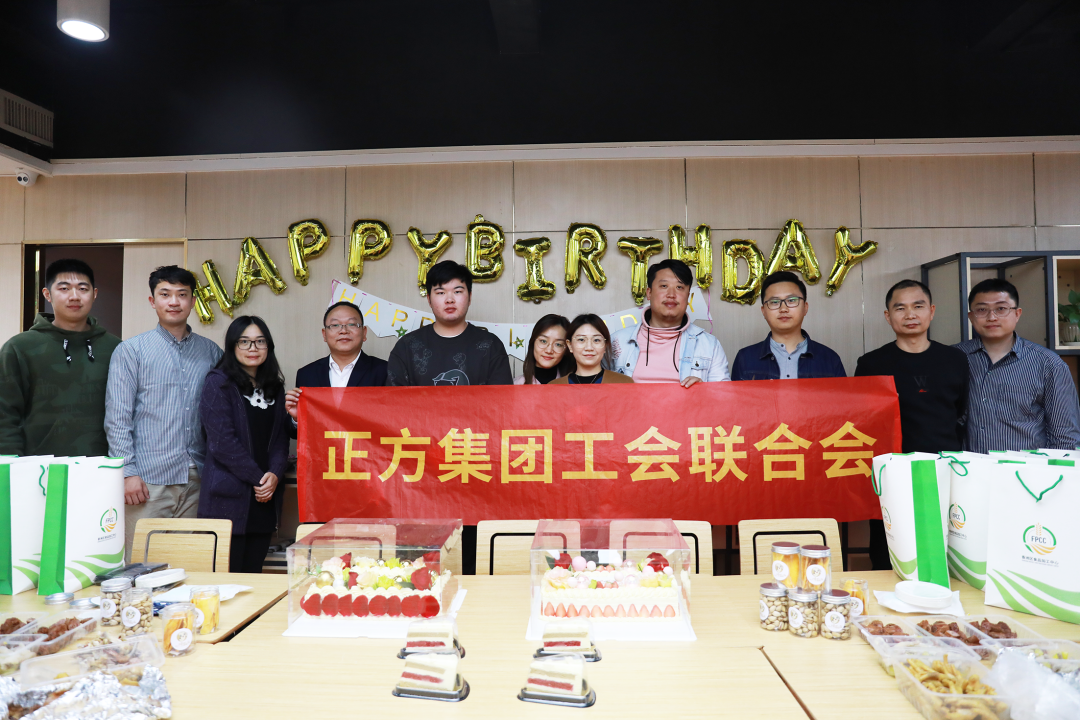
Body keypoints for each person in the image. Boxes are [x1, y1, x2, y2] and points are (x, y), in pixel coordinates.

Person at [106, 266, 223, 559]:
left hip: (198, 477)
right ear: (152, 301)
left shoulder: (211, 352)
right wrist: (127, 472)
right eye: (165, 294)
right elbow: (118, 418)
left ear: (193, 301)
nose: (174, 302)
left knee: (188, 562)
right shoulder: (131, 351)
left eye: (182, 295)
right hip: (148, 479)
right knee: (140, 563)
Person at [855, 279, 968, 570]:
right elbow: (863, 422)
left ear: (931, 311)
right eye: (900, 308)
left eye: (918, 306)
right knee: (889, 552)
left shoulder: (955, 359)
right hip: (892, 472)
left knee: (946, 547)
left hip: (945, 470)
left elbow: (961, 411)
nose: (910, 314)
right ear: (887, 316)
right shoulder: (871, 364)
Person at [0, 258, 120, 456]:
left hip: (103, 466)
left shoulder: (116, 348)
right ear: (47, 294)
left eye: (83, 289)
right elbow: (5, 415)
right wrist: (12, 465)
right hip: (37, 467)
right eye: (64, 289)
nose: (74, 296)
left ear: (94, 294)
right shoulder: (19, 348)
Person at [199, 316, 289, 573]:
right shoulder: (218, 383)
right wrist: (260, 479)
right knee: (227, 579)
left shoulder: (275, 387)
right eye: (245, 342)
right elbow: (222, 443)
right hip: (229, 498)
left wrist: (275, 474)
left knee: (254, 576)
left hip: (264, 499)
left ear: (268, 346)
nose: (253, 348)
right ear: (232, 346)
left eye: (260, 342)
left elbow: (281, 438)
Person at [956, 278, 1080, 453]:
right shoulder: (953, 358)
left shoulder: (1049, 364)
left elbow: (1065, 437)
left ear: (1017, 314)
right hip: (965, 467)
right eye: (982, 310)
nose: (992, 317)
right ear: (971, 317)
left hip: (1027, 469)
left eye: (1001, 309)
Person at [387, 260, 513, 386]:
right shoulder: (407, 346)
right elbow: (393, 396)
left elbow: (501, 397)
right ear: (429, 299)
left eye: (457, 292)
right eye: (440, 293)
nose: (449, 300)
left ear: (469, 297)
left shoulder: (491, 345)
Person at [609, 259, 729, 385]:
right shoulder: (617, 341)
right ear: (649, 293)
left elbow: (723, 394)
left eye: (679, 287)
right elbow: (600, 389)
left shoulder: (710, 345)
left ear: (688, 296)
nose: (671, 294)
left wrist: (704, 390)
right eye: (664, 286)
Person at [284, 301, 388, 427]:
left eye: (352, 324)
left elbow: (394, 422)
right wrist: (297, 418)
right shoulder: (307, 374)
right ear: (324, 334)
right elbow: (296, 433)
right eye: (335, 325)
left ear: (364, 332)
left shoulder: (384, 371)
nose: (343, 330)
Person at [730, 271, 846, 380]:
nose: (783, 309)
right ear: (763, 311)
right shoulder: (745, 359)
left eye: (791, 300)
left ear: (805, 308)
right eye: (774, 302)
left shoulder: (830, 359)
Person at [551, 314, 634, 385]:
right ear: (570, 345)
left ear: (605, 345)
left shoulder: (623, 383)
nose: (589, 348)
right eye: (581, 340)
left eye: (596, 340)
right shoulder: (554, 387)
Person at [514, 314, 573, 385]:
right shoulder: (516, 385)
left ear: (567, 349)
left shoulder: (574, 383)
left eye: (558, 344)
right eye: (543, 341)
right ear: (533, 342)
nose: (549, 351)